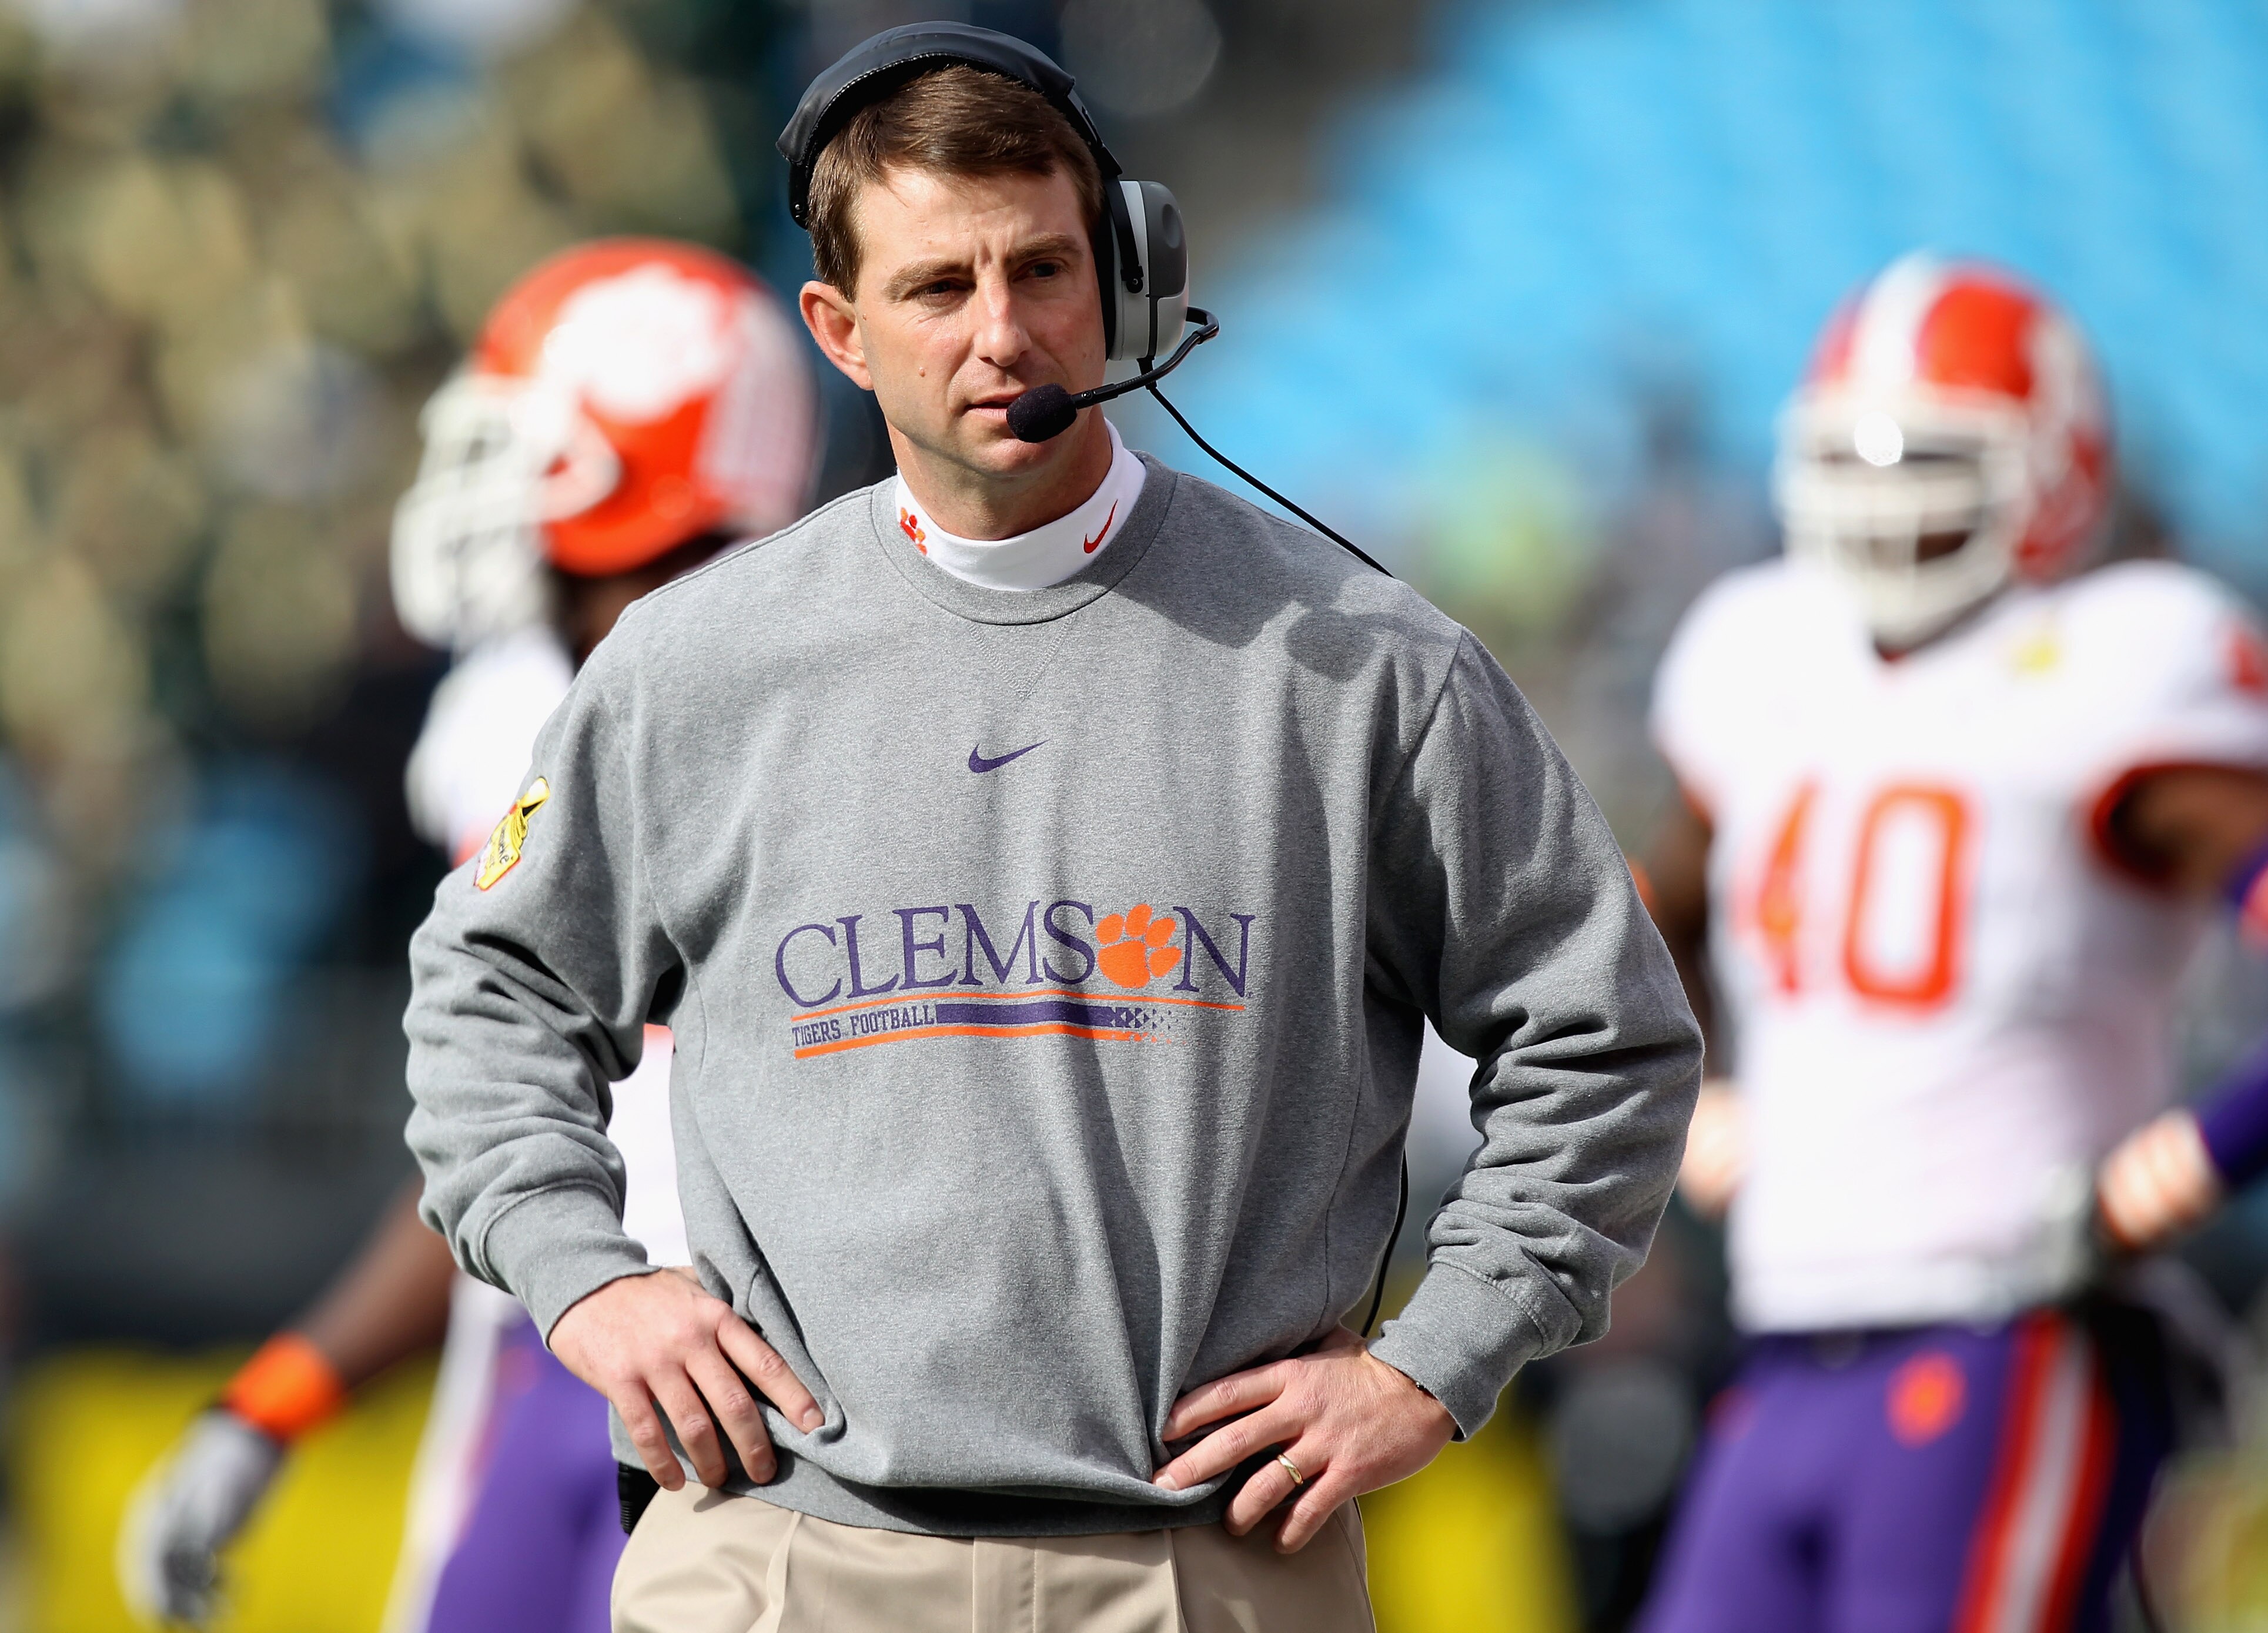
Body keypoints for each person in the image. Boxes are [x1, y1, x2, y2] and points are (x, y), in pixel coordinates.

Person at [402, 24, 1701, 1633]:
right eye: (938, 288)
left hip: (1198, 1563)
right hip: (777, 1555)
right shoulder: (689, 668)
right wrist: (588, 1281)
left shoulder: (1364, 665)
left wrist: (1435, 1366)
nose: (1003, 332)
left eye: (1044, 269)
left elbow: (1606, 1038)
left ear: (1128, 277)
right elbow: (490, 1000)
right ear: (841, 329)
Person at [118, 237, 818, 1633]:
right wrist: (276, 1400)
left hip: (771, 1398)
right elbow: (503, 1145)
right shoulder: (509, 710)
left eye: (539, 443)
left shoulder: (828, 694)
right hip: (549, 1362)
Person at [1638, 252, 2268, 1633]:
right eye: (1849, 456)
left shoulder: (2119, 663)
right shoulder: (1763, 655)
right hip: (1787, 1343)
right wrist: (1688, 1103)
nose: (1881, 494)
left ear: (2053, 471)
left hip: (2010, 1325)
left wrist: (2190, 1162)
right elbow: (1633, 927)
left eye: (1928, 454)